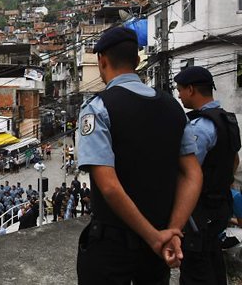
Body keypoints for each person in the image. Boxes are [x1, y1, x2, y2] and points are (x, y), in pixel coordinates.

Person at [75, 27, 203, 284]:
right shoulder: (173, 108)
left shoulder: (98, 108)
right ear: (137, 60)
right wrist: (172, 232)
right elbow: (192, 173)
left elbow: (109, 186)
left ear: (102, 61)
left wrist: (155, 237)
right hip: (158, 243)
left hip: (113, 246)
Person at [174, 66, 242, 284]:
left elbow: (187, 172)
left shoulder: (200, 127)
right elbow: (234, 161)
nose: (178, 94)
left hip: (199, 214)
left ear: (191, 90)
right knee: (214, 266)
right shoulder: (227, 120)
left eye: (180, 89)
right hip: (220, 208)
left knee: (195, 272)